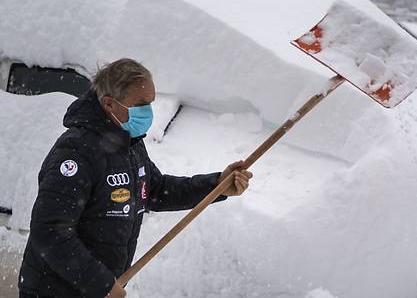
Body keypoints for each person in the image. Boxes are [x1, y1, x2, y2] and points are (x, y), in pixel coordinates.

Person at [18, 58, 252, 298]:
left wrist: (217, 186)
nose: (148, 112)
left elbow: (157, 190)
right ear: (109, 104)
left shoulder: (127, 146)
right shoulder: (77, 153)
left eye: (150, 103)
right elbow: (50, 232)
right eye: (140, 104)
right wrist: (101, 284)